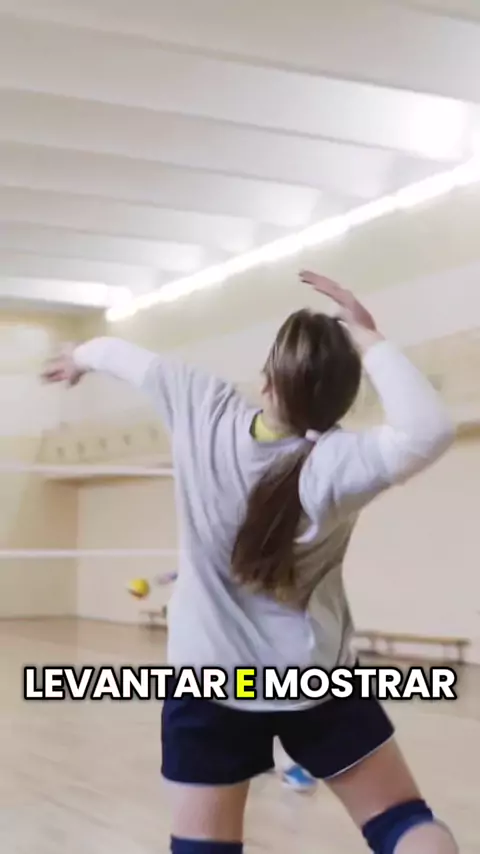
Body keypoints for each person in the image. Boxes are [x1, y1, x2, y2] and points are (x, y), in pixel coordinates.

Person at [42, 272, 457, 854]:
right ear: (342, 397)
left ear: (266, 380)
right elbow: (429, 429)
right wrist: (369, 339)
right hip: (317, 681)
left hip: (208, 681)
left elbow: (114, 351)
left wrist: (77, 358)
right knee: (405, 824)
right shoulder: (340, 461)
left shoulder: (201, 404)